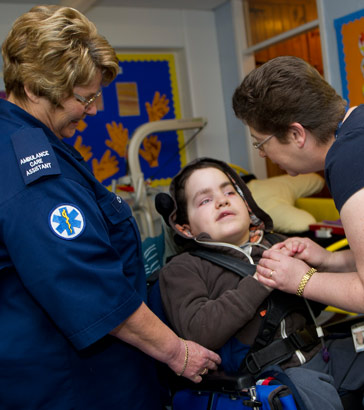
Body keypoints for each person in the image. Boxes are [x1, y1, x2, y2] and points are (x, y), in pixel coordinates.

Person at [0, 6, 220, 409]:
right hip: (73, 384)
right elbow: (86, 286)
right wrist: (177, 352)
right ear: (33, 87)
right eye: (85, 98)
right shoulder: (30, 164)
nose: (95, 110)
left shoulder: (21, 141)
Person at [156, 157, 364, 410]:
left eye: (230, 191)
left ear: (248, 204)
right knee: (314, 393)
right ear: (185, 228)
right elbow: (199, 331)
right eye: (205, 200)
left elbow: (314, 306)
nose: (222, 200)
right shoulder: (183, 268)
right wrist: (260, 281)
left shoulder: (275, 243)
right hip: (268, 376)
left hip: (319, 351)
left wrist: (314, 267)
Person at [232, 55, 364, 314]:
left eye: (260, 142)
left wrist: (301, 280)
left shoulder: (348, 160)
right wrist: (330, 260)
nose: (261, 154)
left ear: (296, 134)